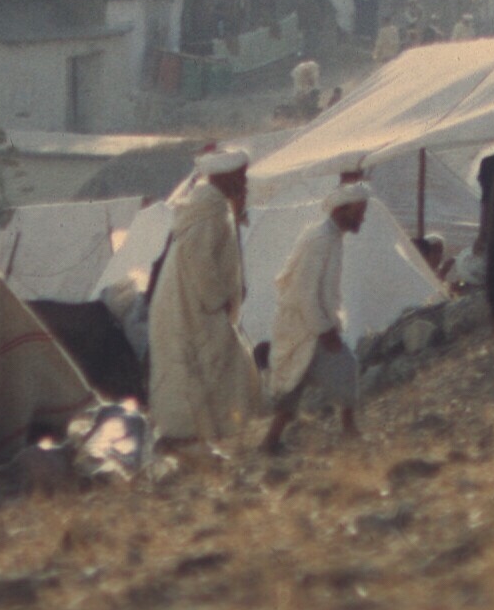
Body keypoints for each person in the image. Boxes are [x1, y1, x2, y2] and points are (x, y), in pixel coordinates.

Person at [148, 147, 263, 449]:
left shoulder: (213, 206)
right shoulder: (208, 210)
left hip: (190, 304)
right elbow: (199, 260)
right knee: (213, 366)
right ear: (226, 178)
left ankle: (209, 436)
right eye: (240, 177)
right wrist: (219, 300)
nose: (245, 183)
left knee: (213, 367)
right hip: (193, 306)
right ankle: (188, 437)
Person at [259, 181, 369, 454]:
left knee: (299, 382)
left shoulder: (331, 237)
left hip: (311, 324)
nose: (362, 217)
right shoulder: (320, 240)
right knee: (344, 366)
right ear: (344, 210)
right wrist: (324, 330)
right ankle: (348, 430)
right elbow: (304, 291)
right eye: (359, 211)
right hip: (303, 326)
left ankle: (272, 441)